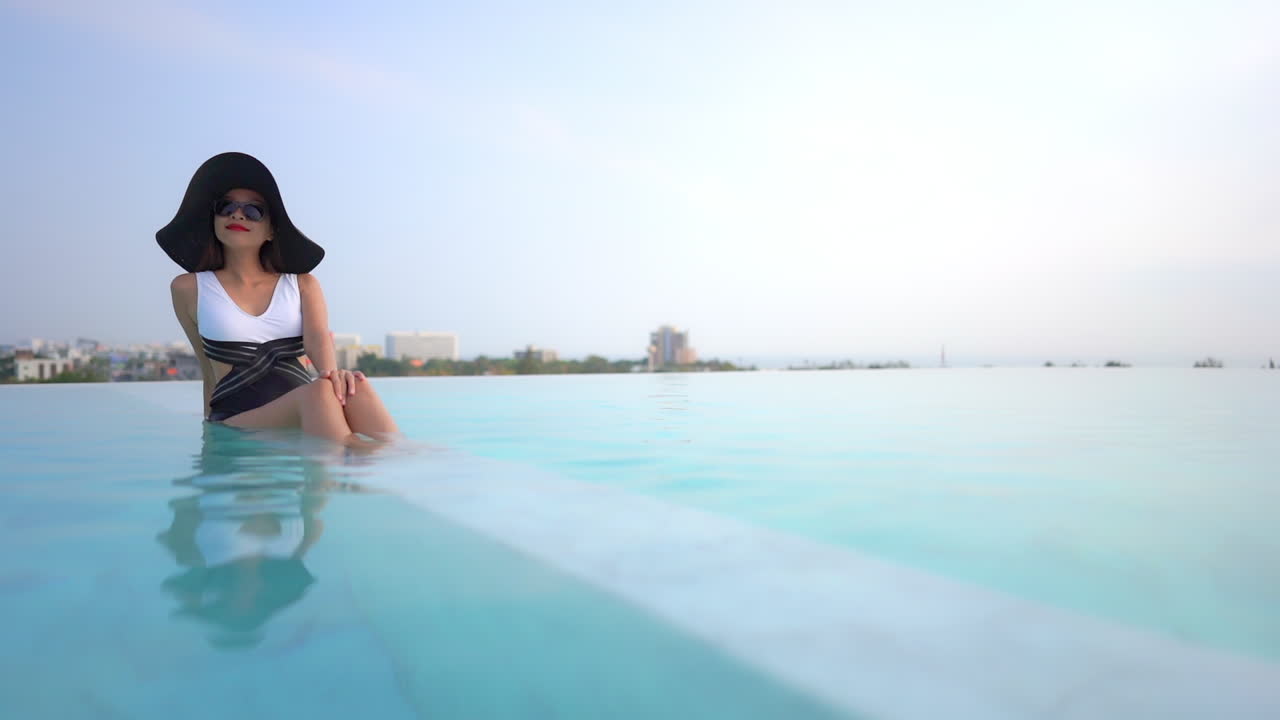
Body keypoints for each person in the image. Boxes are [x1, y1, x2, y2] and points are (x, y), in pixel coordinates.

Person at [159, 152, 398, 447]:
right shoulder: (189, 288)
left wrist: (334, 377)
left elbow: (318, 340)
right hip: (238, 416)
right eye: (227, 207)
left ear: (272, 230)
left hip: (307, 403)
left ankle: (407, 462)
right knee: (319, 393)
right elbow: (206, 364)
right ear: (214, 219)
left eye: (254, 211)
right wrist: (210, 438)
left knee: (354, 386)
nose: (238, 215)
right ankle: (343, 478)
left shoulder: (302, 284)